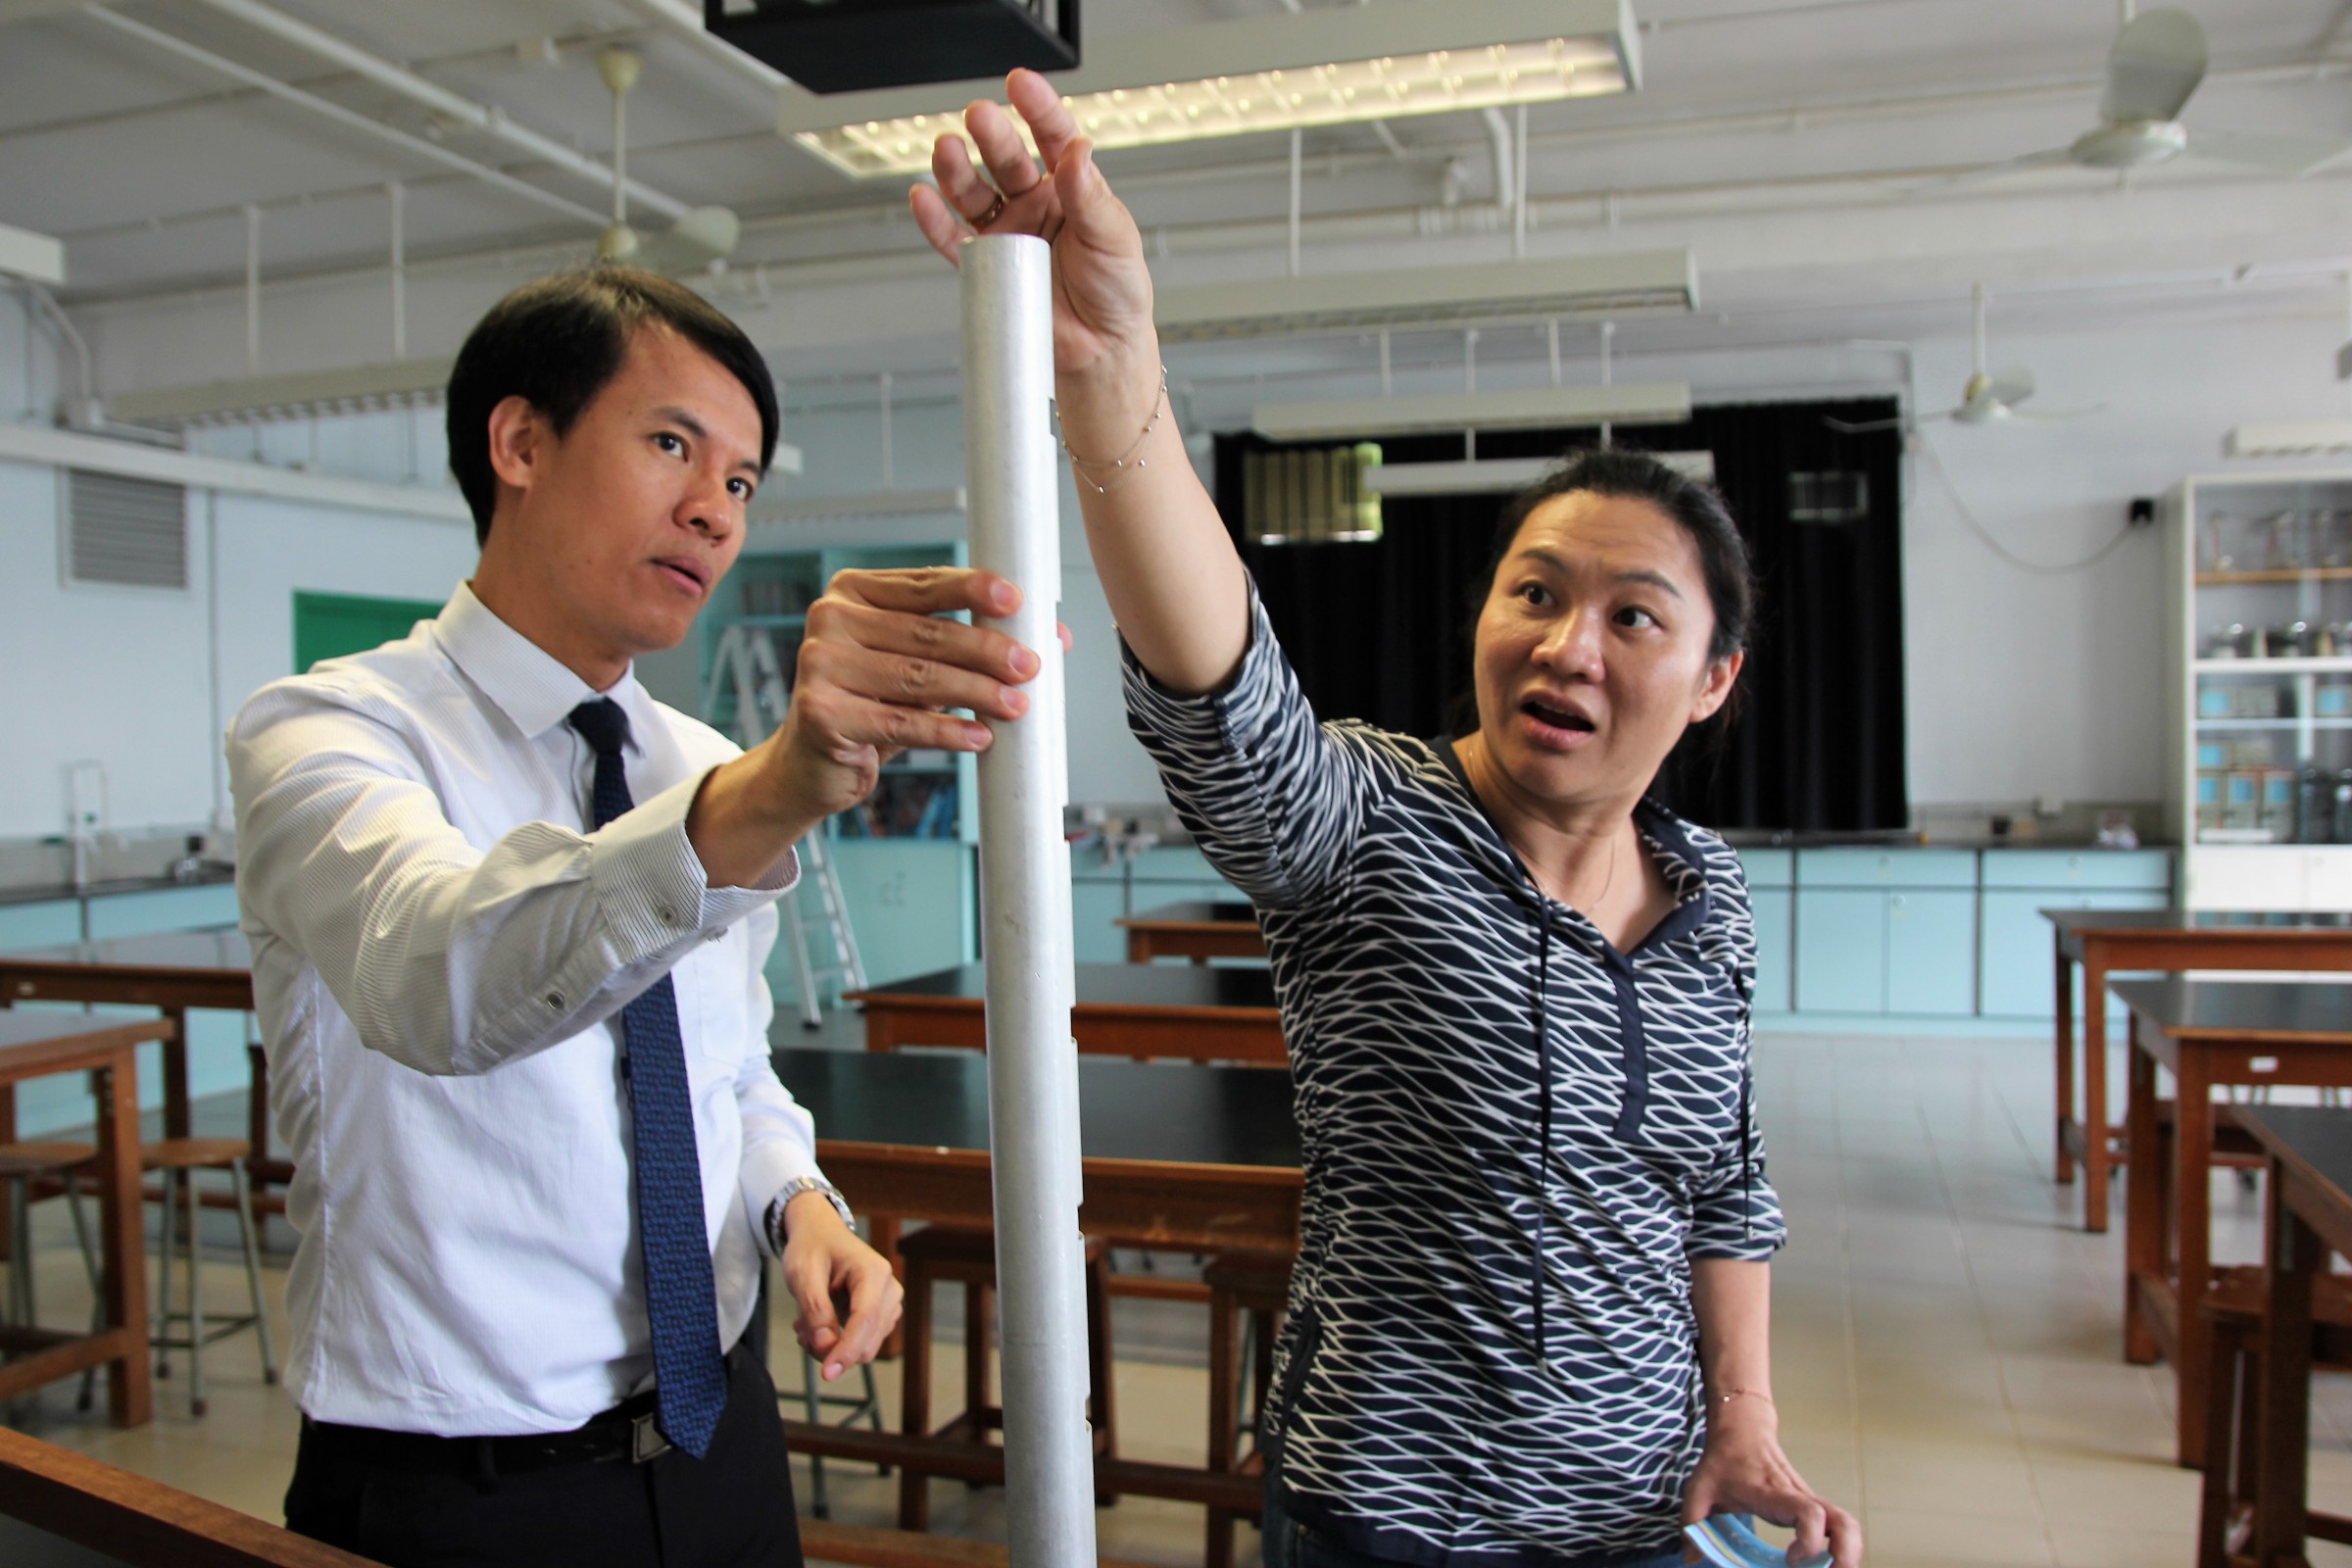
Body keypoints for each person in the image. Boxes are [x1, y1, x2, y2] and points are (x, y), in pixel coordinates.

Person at [911, 74, 1864, 1568]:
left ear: (1714, 680)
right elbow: (1223, 690)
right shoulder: (1372, 826)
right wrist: (1114, 374)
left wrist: (1744, 1416)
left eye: (1633, 616)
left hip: (1649, 1512)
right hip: (1401, 1519)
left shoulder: (1709, 893)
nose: (1567, 646)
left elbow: (1724, 1185)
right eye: (1536, 592)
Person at [229, 268, 1051, 1568]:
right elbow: (437, 982)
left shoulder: (697, 762)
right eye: (673, 444)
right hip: (467, 1483)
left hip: (722, 1434)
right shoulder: (329, 735)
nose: (715, 511)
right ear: (520, 443)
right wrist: (767, 795)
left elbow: (727, 1069)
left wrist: (800, 1206)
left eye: (741, 481)